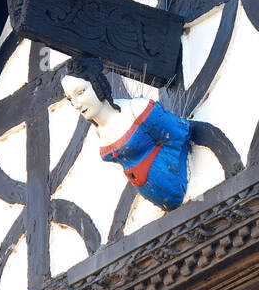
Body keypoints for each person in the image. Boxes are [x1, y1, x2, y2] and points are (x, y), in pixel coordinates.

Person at [60, 57, 190, 211]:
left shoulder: (137, 110)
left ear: (97, 85)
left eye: (81, 92)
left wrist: (170, 167)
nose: (76, 104)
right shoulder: (100, 132)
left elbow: (179, 132)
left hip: (175, 184)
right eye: (70, 99)